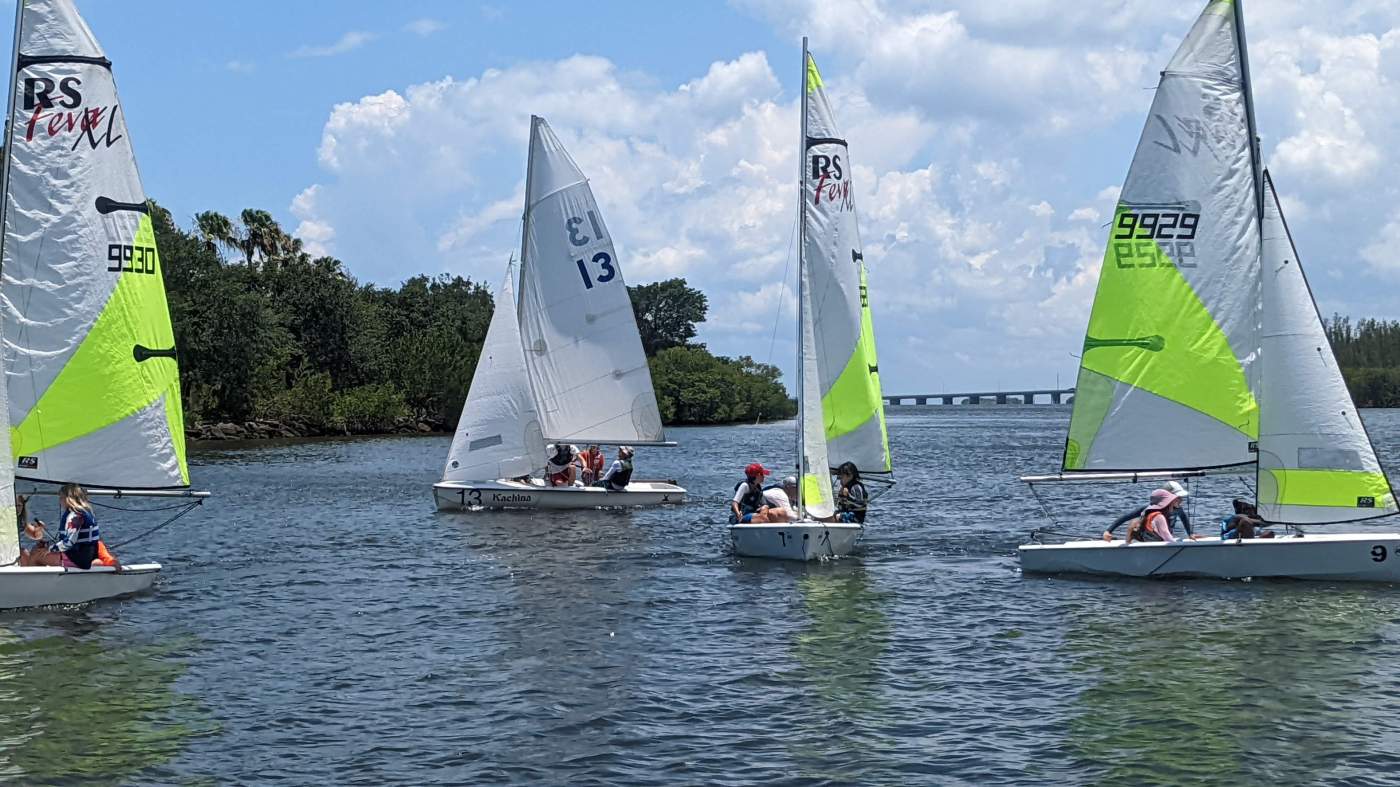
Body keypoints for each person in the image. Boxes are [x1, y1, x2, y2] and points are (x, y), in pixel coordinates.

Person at [32, 484, 108, 570]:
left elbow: (69, 542)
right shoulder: (88, 512)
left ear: (68, 499)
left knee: (35, 555)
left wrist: (49, 549)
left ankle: (31, 582)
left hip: (78, 559)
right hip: (89, 555)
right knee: (40, 550)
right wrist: (48, 544)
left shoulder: (74, 515)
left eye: (61, 498)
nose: (60, 501)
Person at [1103, 480, 1197, 541]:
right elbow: (1126, 517)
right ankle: (1133, 534)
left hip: (1164, 538)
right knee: (1137, 524)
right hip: (1150, 538)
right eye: (1178, 497)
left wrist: (1190, 534)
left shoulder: (1178, 509)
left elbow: (1184, 519)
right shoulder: (1150, 508)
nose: (1181, 500)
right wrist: (1108, 531)